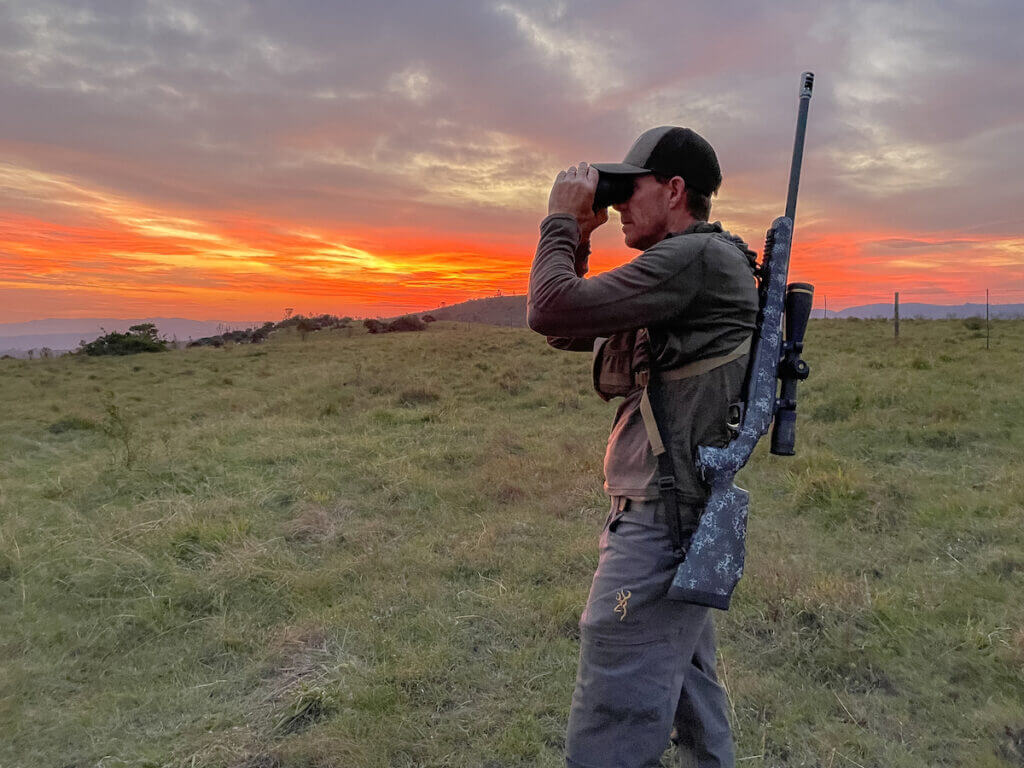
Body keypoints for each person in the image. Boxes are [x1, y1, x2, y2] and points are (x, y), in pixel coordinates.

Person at [527, 126, 759, 768]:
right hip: (670, 508)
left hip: (661, 519)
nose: (620, 203)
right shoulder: (686, 268)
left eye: (631, 189)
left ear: (675, 190)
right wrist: (581, 237)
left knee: (613, 711)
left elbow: (549, 309)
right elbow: (570, 330)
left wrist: (560, 221)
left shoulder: (694, 259)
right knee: (688, 686)